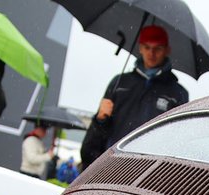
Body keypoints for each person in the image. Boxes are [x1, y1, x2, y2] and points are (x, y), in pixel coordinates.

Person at [80, 25, 188, 169]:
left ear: (167, 50)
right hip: (111, 167)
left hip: (148, 173)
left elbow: (175, 141)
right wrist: (100, 120)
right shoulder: (119, 83)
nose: (152, 53)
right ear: (140, 48)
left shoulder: (177, 94)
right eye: (147, 47)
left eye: (158, 48)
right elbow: (91, 147)